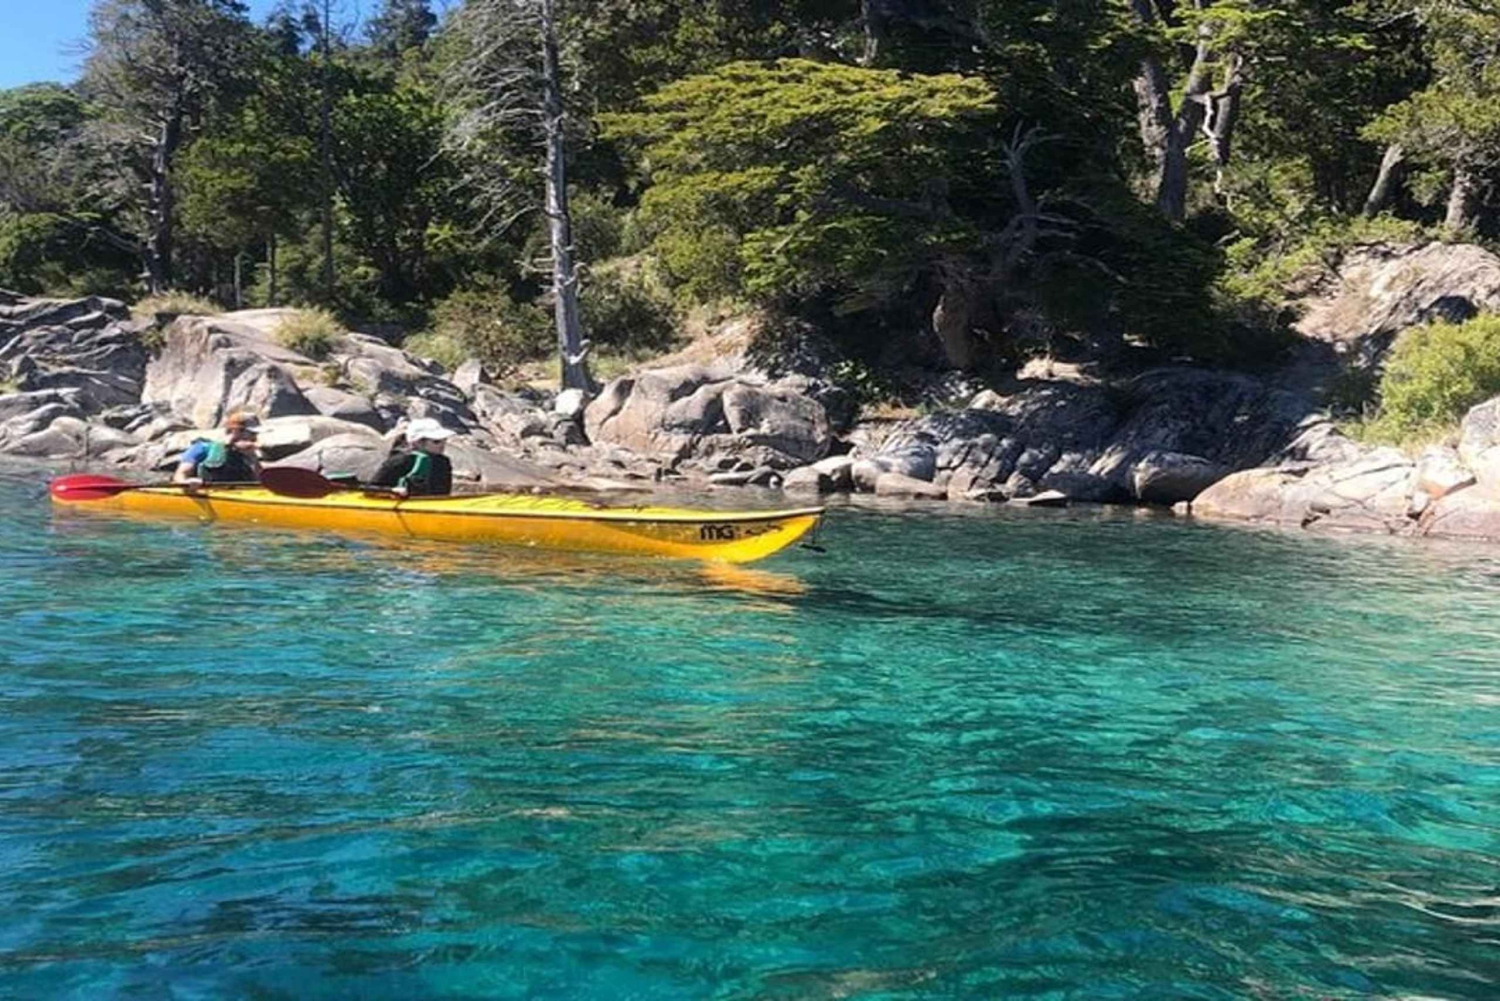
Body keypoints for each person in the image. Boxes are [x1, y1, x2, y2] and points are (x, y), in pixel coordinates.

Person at [371, 417, 455, 497]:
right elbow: (371, 488)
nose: (442, 445)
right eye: (436, 441)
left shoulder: (443, 462)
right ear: (418, 443)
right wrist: (392, 490)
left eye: (444, 440)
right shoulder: (399, 461)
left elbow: (444, 493)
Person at [174, 411, 262, 485]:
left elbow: (258, 482)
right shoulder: (203, 447)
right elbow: (180, 475)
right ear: (235, 431)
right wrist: (188, 482)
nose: (255, 437)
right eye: (252, 433)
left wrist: (253, 459)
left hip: (239, 493)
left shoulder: (249, 453)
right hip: (208, 494)